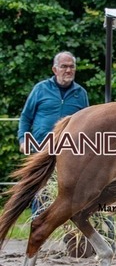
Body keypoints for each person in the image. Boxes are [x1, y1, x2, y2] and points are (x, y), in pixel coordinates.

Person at [18, 51, 89, 215]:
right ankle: (37, 223)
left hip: (69, 152)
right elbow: (26, 117)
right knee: (41, 191)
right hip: (42, 149)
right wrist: (23, 139)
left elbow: (86, 123)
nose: (68, 70)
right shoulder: (40, 89)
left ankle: (66, 228)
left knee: (67, 192)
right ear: (54, 69)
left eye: (72, 66)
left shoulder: (81, 93)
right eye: (64, 66)